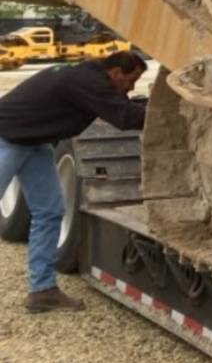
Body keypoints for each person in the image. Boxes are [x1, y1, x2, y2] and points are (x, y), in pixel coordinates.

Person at [0, 48, 147, 312]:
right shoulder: (90, 82)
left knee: (49, 212)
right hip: (6, 137)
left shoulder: (88, 77)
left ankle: (42, 291)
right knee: (48, 212)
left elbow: (123, 106)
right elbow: (124, 117)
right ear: (115, 73)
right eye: (130, 81)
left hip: (33, 142)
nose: (130, 88)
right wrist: (167, 115)